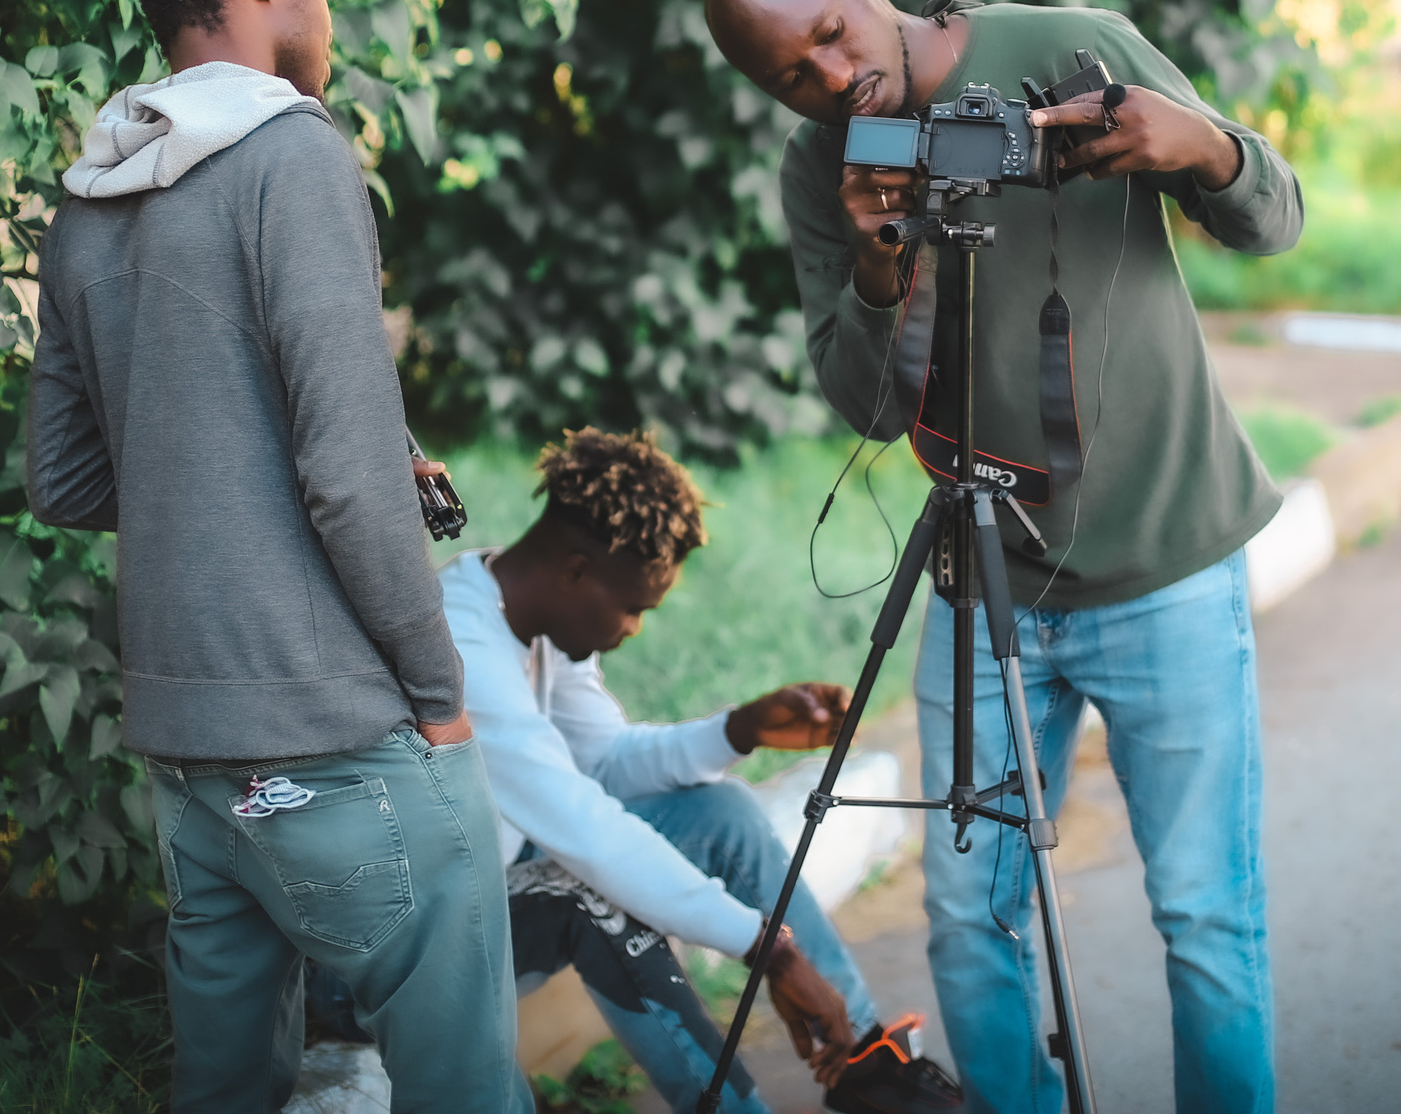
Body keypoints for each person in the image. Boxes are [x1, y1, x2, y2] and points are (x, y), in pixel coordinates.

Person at [702, 0, 1306, 1114]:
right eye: (790, 76)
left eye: (828, 35)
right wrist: (879, 265)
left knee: (1202, 915)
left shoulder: (1073, 46)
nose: (828, 80)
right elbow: (862, 406)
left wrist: (1202, 147)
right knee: (968, 920)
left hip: (1165, 562)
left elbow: (1273, 222)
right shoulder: (827, 162)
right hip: (981, 582)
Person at [27, 0, 527, 1114]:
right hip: (340, 739)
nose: (324, 8)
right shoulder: (293, 154)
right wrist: (440, 696)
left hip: (190, 764)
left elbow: (70, 475)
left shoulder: (91, 195)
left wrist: (221, 463)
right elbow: (352, 484)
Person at [312, 427, 964, 1114]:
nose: (634, 629)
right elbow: (588, 830)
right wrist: (768, 949)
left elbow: (605, 762)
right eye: (632, 607)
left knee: (725, 813)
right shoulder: (463, 646)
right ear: (575, 569)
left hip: (488, 886)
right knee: (587, 887)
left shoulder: (531, 619)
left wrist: (737, 728)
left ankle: (862, 1062)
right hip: (383, 956)